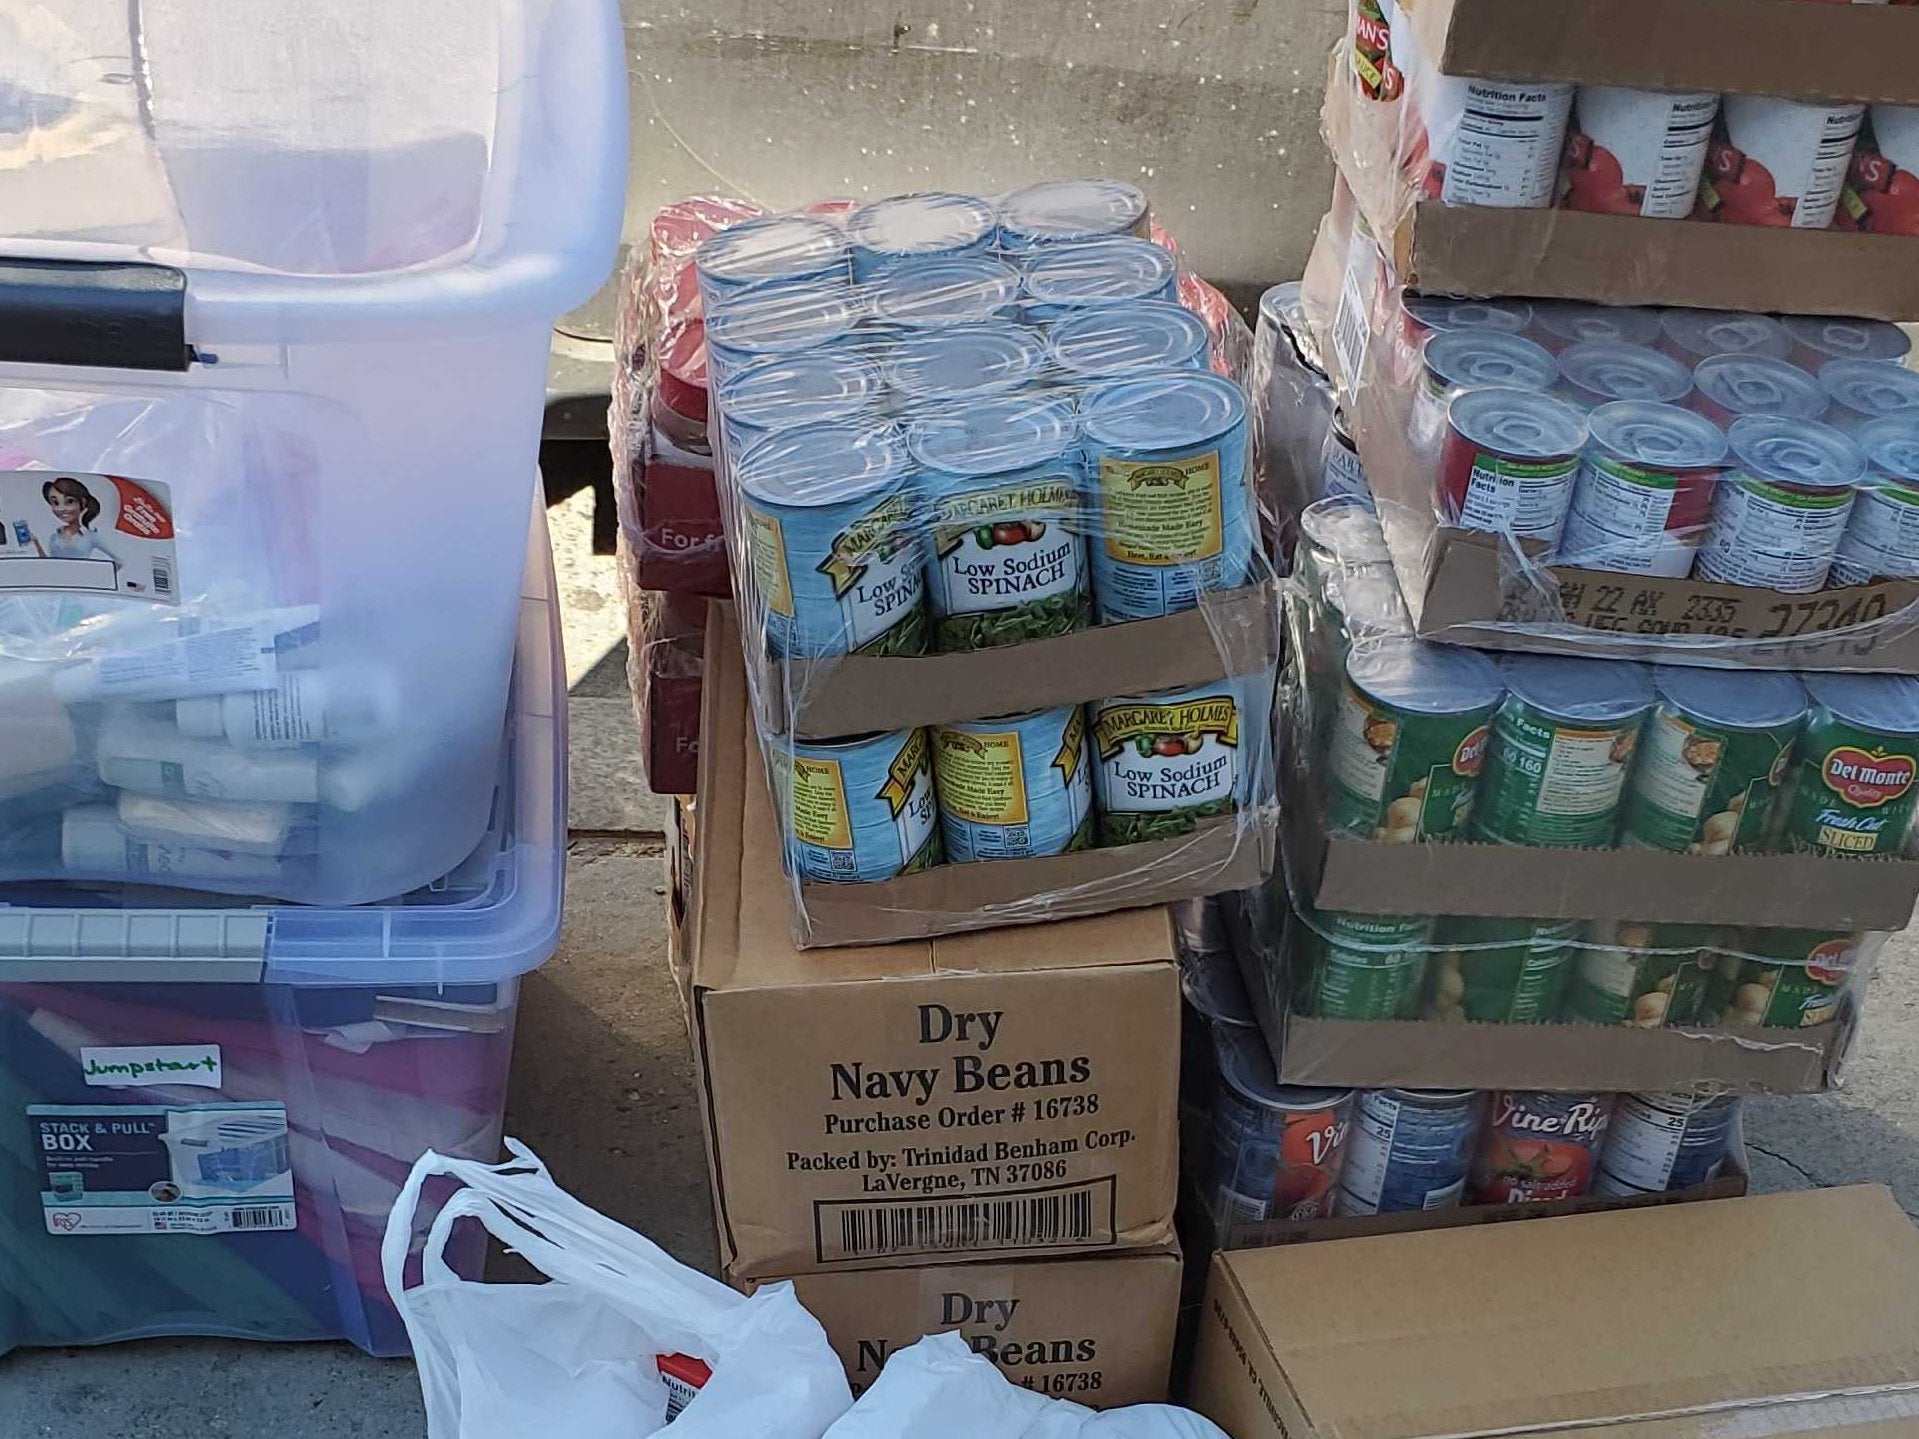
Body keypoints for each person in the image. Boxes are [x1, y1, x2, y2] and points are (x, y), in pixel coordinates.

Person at [35, 476, 119, 566]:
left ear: (82, 503)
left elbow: (118, 560)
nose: (61, 509)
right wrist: (36, 543)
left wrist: (99, 576)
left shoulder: (91, 536)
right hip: (55, 578)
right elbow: (49, 564)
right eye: (55, 503)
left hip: (81, 579)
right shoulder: (55, 536)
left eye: (69, 501)